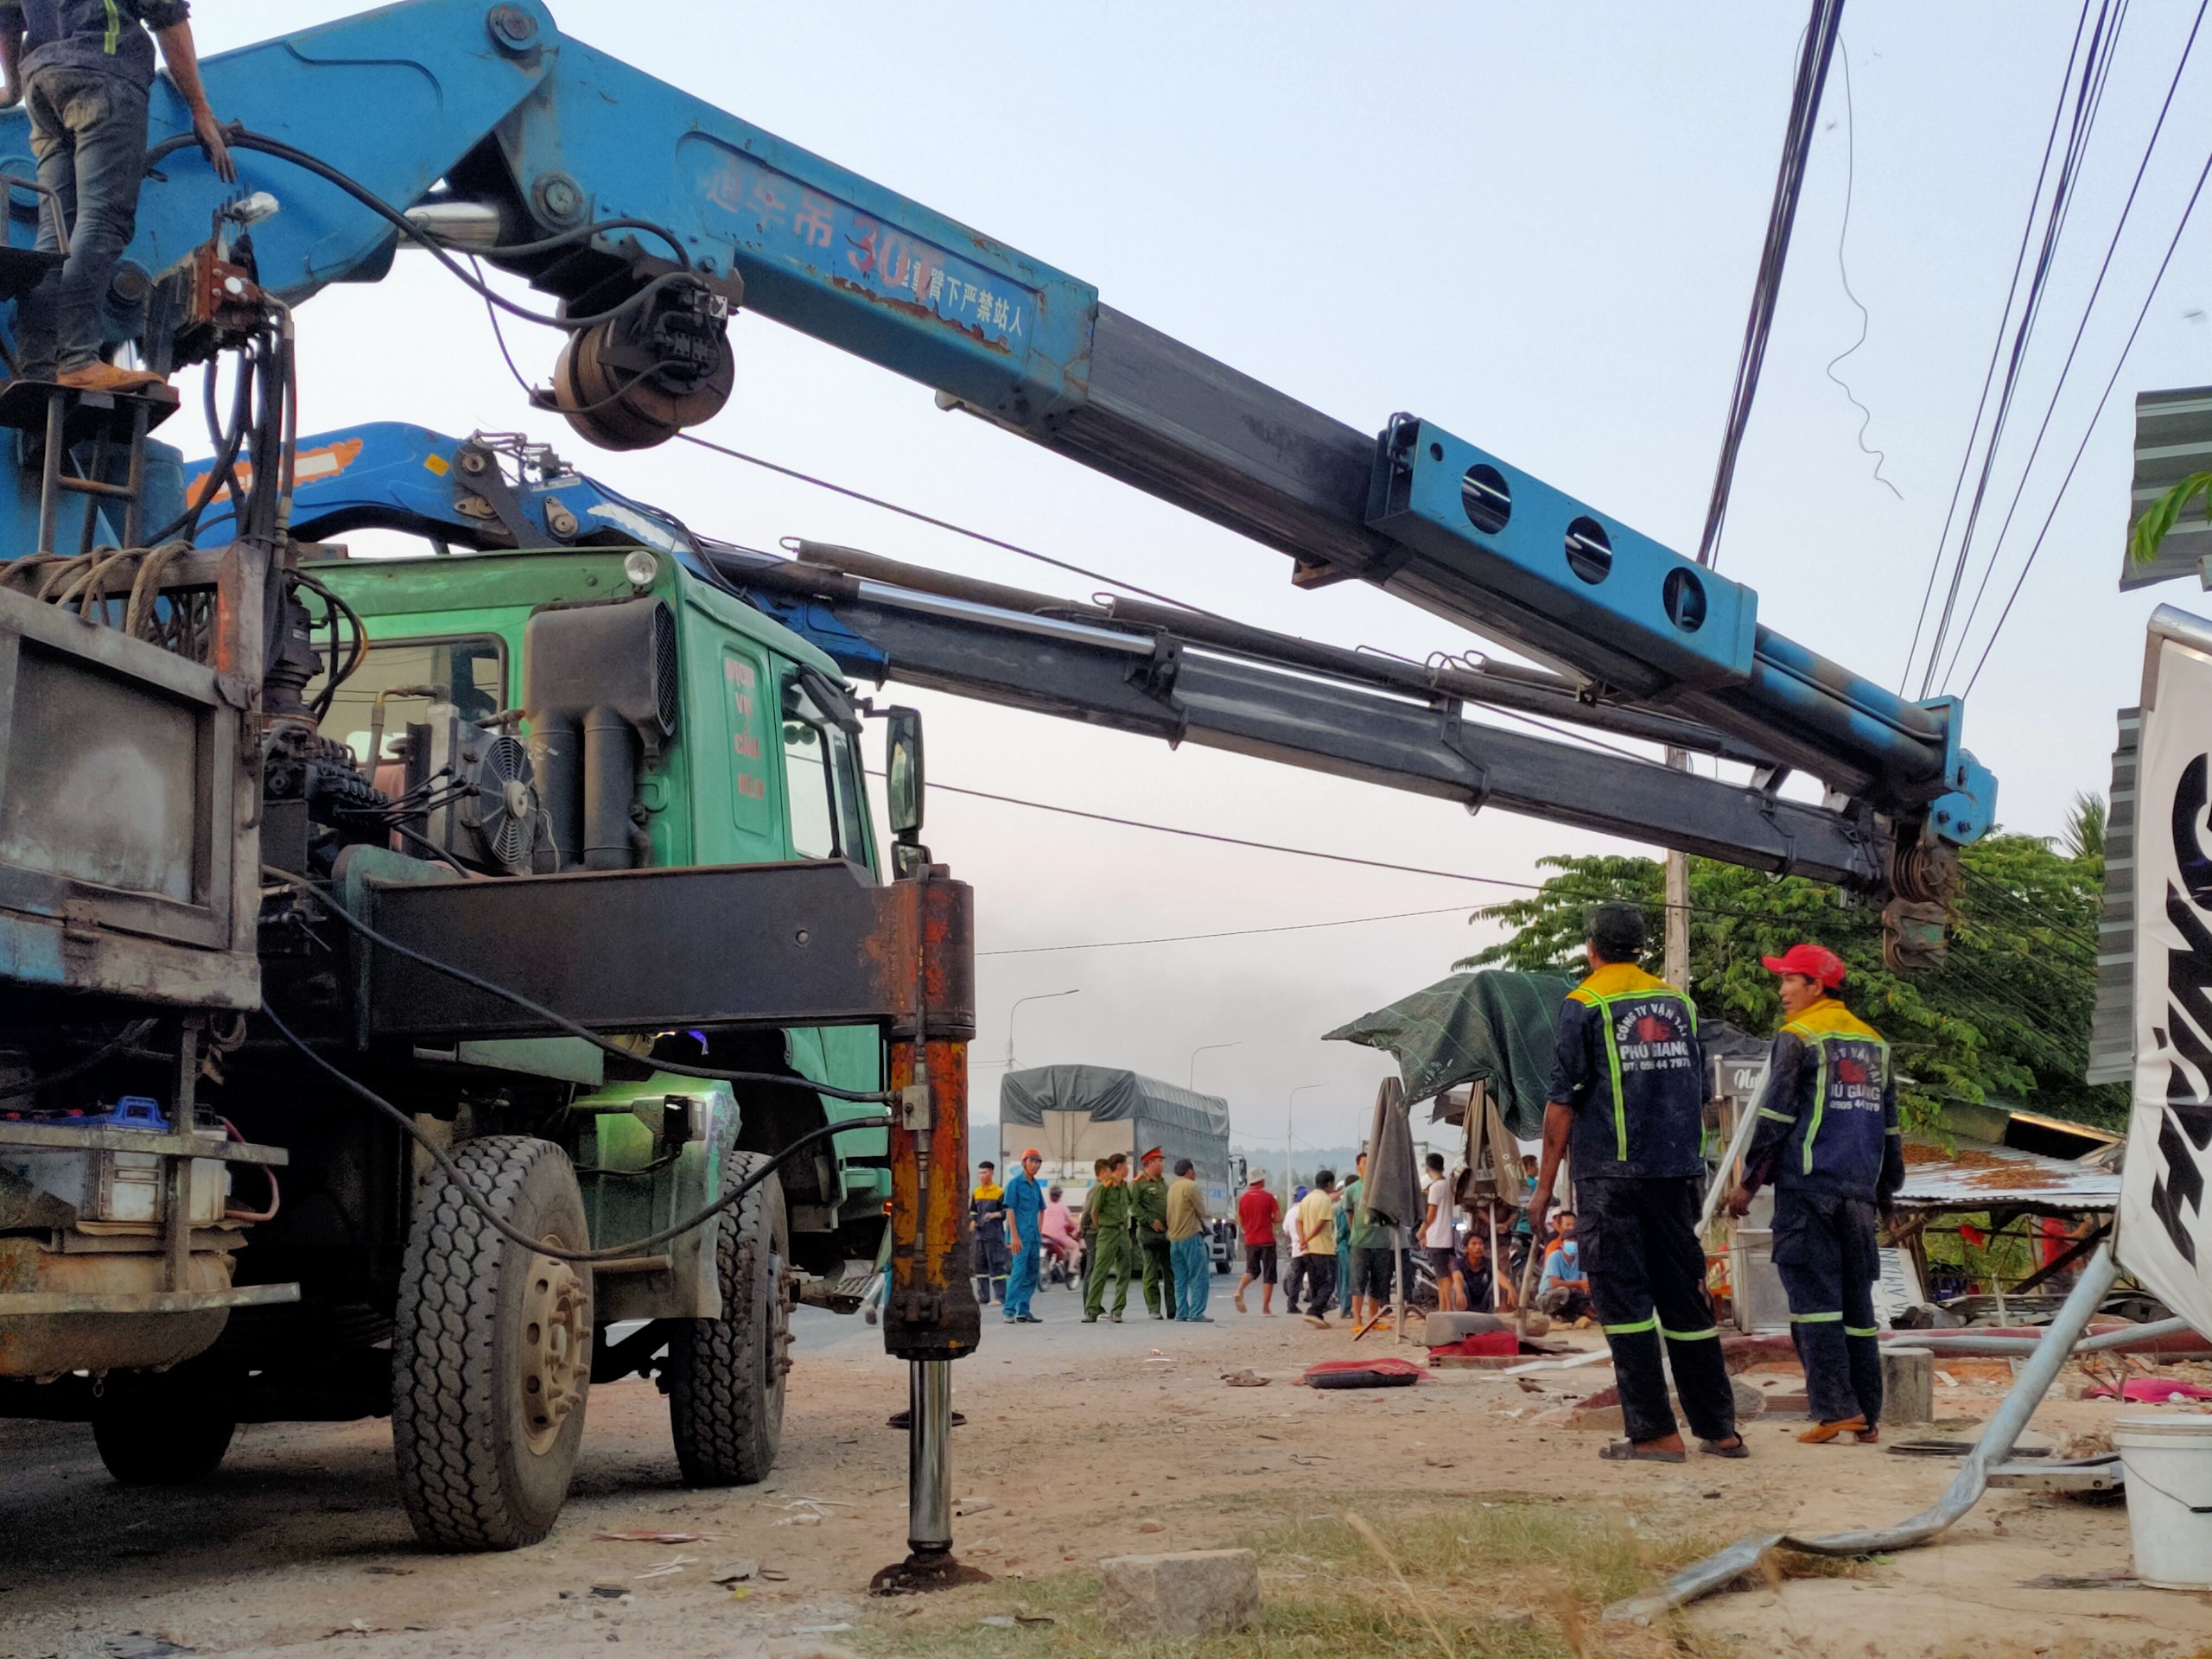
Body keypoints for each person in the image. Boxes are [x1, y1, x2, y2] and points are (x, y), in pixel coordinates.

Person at [1533, 900, 1745, 1465]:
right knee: (1687, 1305)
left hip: (1612, 1178)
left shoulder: (1584, 1004)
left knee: (1624, 1304)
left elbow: (1562, 1105)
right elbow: (1699, 1093)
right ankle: (1719, 1430)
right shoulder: (1679, 1003)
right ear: (1642, 949)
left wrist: (1543, 1189)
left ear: (1591, 948)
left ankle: (1654, 1432)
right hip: (1677, 1177)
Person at [0, 0, 234, 392]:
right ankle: (77, 360)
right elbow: (168, 17)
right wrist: (200, 108)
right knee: (102, 221)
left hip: (43, 83)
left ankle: (38, 367)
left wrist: (13, 88)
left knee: (55, 233)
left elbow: (7, 16)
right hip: (103, 75)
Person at [1728, 942, 1904, 1446]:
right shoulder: (1875, 1043)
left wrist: (1747, 1186)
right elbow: (1890, 1130)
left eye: (1790, 980)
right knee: (1857, 1307)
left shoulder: (1798, 1036)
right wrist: (1885, 1194)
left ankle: (1834, 1410)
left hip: (1809, 1191)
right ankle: (1867, 1417)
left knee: (1813, 1306)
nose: (1782, 991)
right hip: (1858, 1196)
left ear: (1816, 986)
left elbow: (1777, 1117)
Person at [1083, 1153, 1135, 1323]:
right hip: (1107, 1232)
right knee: (1100, 1271)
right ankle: (1091, 1310)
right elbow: (1094, 1212)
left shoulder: (1124, 1187)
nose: (1127, 1168)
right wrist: (1102, 1229)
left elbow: (1130, 1203)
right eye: (1126, 1165)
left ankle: (1118, 1309)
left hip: (1123, 1232)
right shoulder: (1102, 1188)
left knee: (1124, 1271)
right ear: (1119, 1166)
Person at [1345, 1151, 1395, 1327]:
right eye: (1365, 1162)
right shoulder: (1352, 1190)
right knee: (1358, 1283)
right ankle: (1358, 1320)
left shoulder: (1383, 1188)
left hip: (1381, 1244)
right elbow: (1349, 1214)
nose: (1369, 1165)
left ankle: (1373, 1318)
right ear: (1359, 1166)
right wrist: (1355, 1232)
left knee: (1379, 1284)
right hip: (1359, 1244)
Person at [1001, 1148, 1047, 1325]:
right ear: (1024, 1162)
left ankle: (1024, 1310)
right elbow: (1010, 1210)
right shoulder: (1014, 1184)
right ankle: (1009, 1311)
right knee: (1018, 1273)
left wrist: (1039, 1229)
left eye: (1038, 1162)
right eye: (1032, 1161)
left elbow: (1042, 1209)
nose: (1035, 1165)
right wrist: (1014, 1236)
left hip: (1034, 1237)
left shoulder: (1035, 1185)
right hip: (1019, 1237)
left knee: (1031, 1273)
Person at [1131, 1147, 1177, 1320]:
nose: (1162, 1165)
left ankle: (1172, 1309)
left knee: (1169, 1273)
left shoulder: (1163, 1183)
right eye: (1159, 1161)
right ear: (1149, 1163)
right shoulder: (1138, 1183)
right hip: (1148, 1234)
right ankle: (1154, 1308)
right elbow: (1134, 1207)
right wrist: (1150, 1221)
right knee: (1150, 1273)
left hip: (1166, 1233)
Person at [1292, 1169, 1339, 1328]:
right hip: (1322, 1248)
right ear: (1329, 1184)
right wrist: (1309, 1238)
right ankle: (1314, 1310)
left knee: (1316, 1283)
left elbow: (1298, 1221)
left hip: (1308, 1249)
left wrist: (1303, 1239)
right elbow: (1321, 1223)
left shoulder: (1307, 1199)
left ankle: (1317, 1315)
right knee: (1328, 1283)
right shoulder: (1324, 1200)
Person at [1166, 1158, 1212, 1322]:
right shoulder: (1191, 1186)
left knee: (1180, 1278)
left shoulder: (1171, 1188)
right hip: (1191, 1236)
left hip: (1174, 1238)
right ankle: (1196, 1312)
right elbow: (1201, 1210)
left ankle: (1181, 1312)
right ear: (1189, 1171)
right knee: (1198, 1276)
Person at [1235, 1171, 1281, 1315]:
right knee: (1269, 1274)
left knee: (1252, 1270)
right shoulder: (1269, 1198)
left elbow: (1240, 1220)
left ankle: (1239, 1289)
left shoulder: (1243, 1199)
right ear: (1262, 1181)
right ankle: (1265, 1309)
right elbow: (1278, 1218)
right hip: (1267, 1240)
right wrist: (1270, 1220)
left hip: (1251, 1241)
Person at [1422, 1152, 1462, 1313]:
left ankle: (1447, 1310)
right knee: (1444, 1276)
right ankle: (1444, 1308)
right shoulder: (1448, 1185)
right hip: (1448, 1237)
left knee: (1442, 1278)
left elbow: (1430, 1215)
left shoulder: (1435, 1188)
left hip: (1436, 1237)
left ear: (1428, 1168)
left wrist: (1421, 1232)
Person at [1537, 1214, 1593, 1322]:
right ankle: (1555, 1314)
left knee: (1587, 1295)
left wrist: (1586, 1286)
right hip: (1548, 1296)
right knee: (1564, 1292)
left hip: (1570, 1294)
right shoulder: (1555, 1256)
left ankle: (1571, 1315)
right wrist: (1578, 1284)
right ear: (1562, 1244)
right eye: (1569, 1240)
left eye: (1575, 1241)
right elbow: (1554, 1283)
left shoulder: (1581, 1257)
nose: (1573, 1243)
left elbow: (1585, 1281)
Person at [969, 1162, 1009, 1307]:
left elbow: (1006, 1212)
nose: (982, 1176)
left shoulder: (999, 1192)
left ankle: (1000, 1297)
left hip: (994, 1235)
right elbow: (973, 1211)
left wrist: (995, 1214)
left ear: (992, 1173)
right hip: (980, 1236)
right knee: (980, 1267)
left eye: (985, 1173)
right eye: (980, 1173)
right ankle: (983, 1297)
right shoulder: (976, 1192)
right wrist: (972, 1222)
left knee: (997, 1265)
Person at [1040, 1183, 1078, 1284]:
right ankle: (1070, 1268)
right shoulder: (1062, 1207)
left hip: (1042, 1235)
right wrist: (1077, 1228)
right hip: (1058, 1237)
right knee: (1075, 1246)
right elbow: (1071, 1222)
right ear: (1060, 1196)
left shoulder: (1044, 1206)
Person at [1282, 1183, 1312, 1314]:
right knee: (1316, 1276)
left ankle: (1291, 1304)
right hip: (1310, 1248)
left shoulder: (1290, 1213)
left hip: (1296, 1249)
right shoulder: (1308, 1210)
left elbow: (1286, 1231)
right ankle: (1317, 1303)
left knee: (1296, 1278)